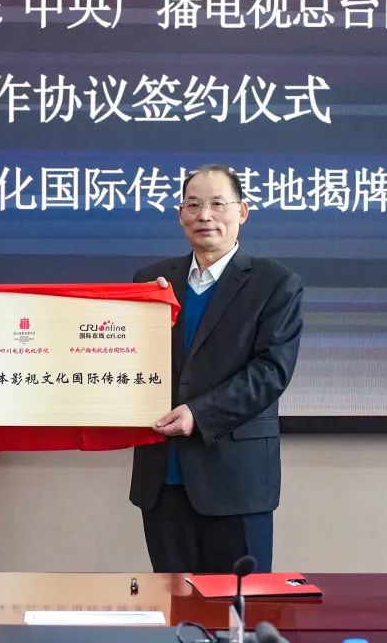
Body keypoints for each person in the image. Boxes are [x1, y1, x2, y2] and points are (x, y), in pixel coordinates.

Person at [131, 164, 304, 574]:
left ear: (242, 212)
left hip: (237, 481)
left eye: (217, 204)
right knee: (174, 603)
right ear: (180, 215)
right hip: (163, 477)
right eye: (193, 205)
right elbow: (127, 357)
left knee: (239, 605)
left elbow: (271, 371)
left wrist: (199, 413)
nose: (204, 215)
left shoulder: (275, 283)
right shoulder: (151, 281)